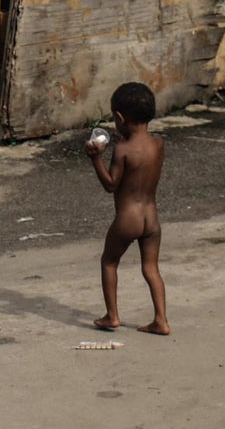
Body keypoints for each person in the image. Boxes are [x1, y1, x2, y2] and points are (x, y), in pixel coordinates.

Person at [84, 82, 170, 335]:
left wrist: (95, 159)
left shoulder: (121, 150)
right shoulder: (158, 143)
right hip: (151, 218)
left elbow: (111, 185)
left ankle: (112, 316)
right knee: (151, 268)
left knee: (109, 262)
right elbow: (142, 162)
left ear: (120, 118)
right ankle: (161, 320)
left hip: (128, 218)